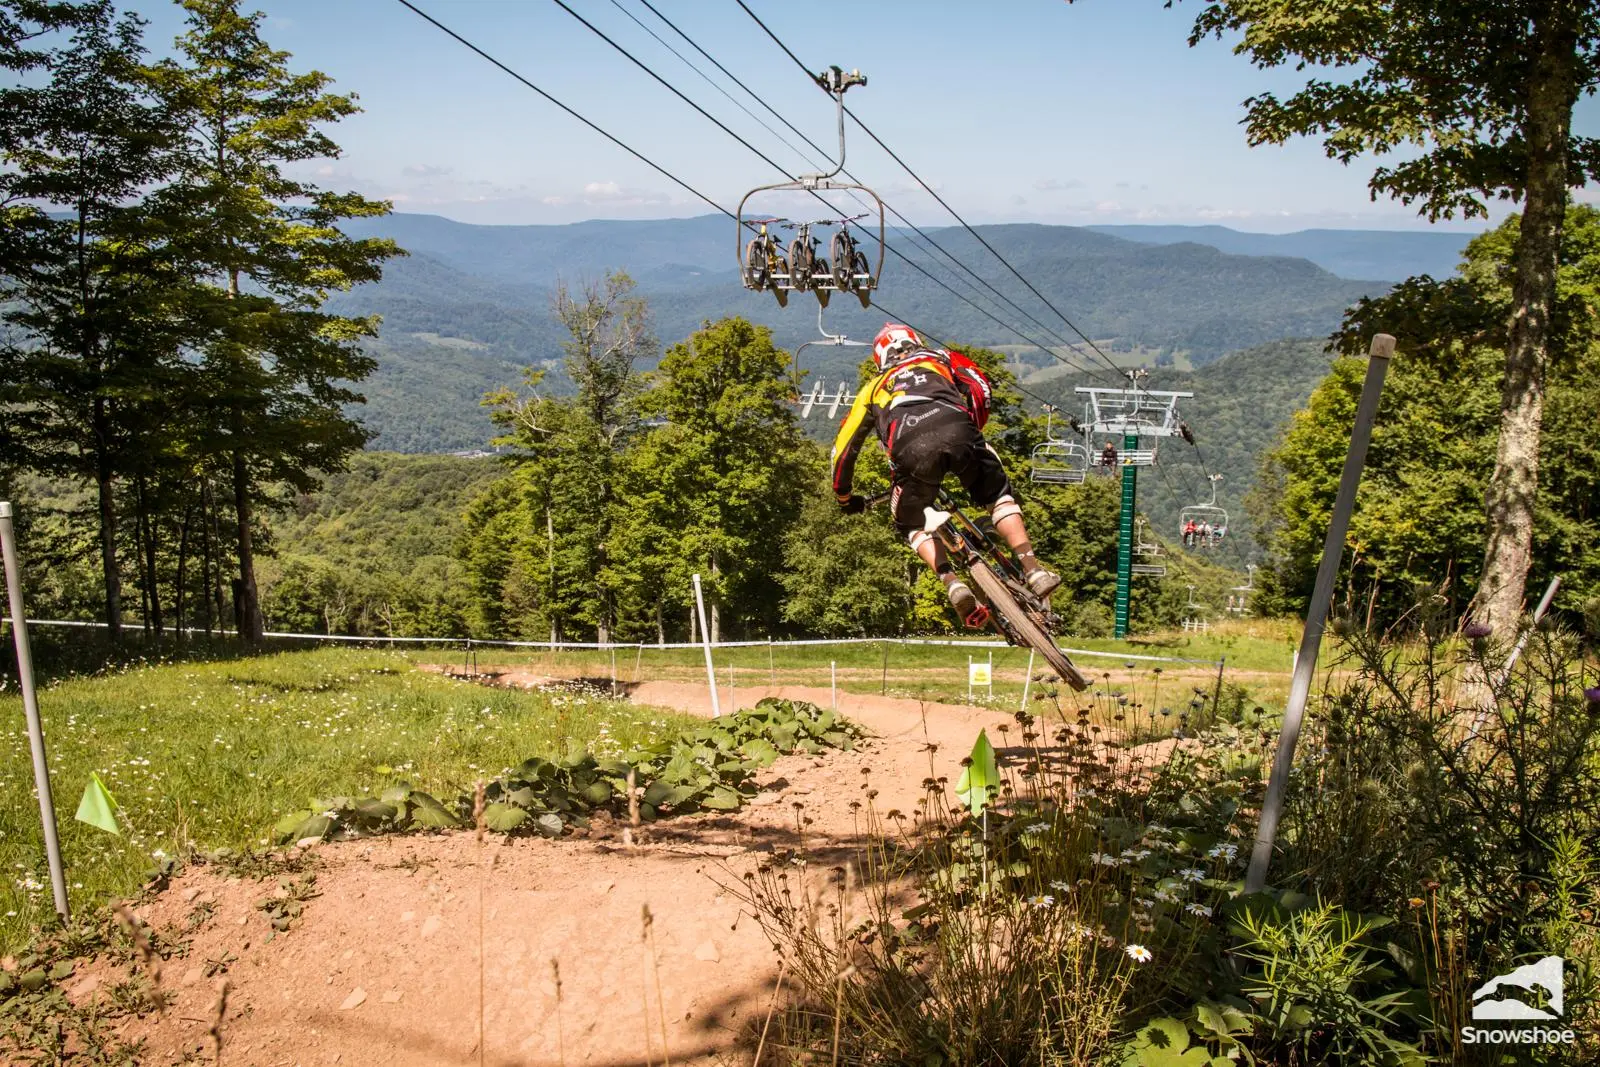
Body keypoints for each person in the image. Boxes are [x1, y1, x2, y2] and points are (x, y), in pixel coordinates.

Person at [831, 324, 1061, 624]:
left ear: (880, 359)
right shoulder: (940, 357)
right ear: (915, 342)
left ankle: (952, 582)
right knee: (998, 496)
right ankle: (1034, 570)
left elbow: (844, 448)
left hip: (911, 452)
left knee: (909, 523)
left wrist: (844, 496)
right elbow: (981, 389)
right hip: (958, 431)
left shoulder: (872, 388)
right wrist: (971, 432)